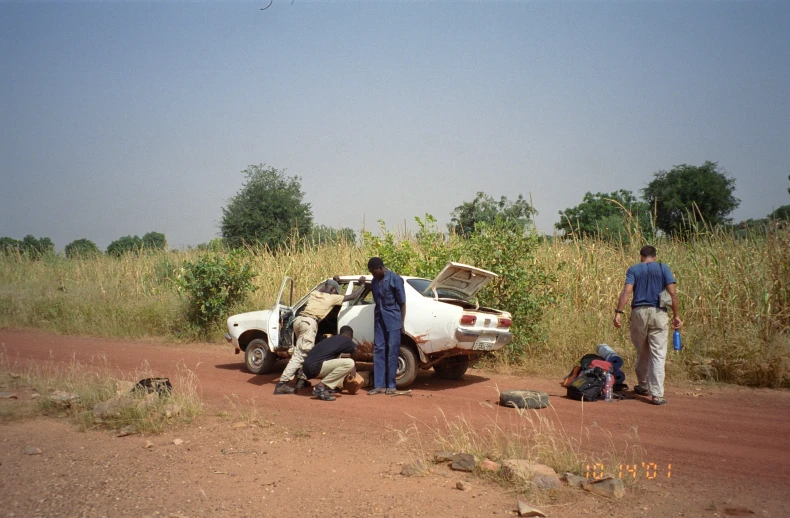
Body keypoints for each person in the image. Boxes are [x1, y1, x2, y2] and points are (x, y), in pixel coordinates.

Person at [614, 245, 682, 405]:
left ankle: (642, 385)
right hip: (659, 312)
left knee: (642, 351)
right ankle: (657, 394)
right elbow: (672, 293)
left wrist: (618, 312)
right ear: (655, 257)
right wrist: (676, 315)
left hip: (638, 312)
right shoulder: (662, 268)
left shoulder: (634, 270)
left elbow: (626, 292)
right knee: (658, 354)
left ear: (641, 256)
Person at [274, 277, 366, 395]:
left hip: (299, 321)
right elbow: (353, 296)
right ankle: (282, 383)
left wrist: (334, 282)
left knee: (305, 352)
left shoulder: (315, 294)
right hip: (309, 324)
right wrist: (362, 285)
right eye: (335, 291)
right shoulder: (332, 298)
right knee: (300, 354)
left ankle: (300, 380)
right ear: (332, 290)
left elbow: (327, 288)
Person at [366, 257, 406, 395]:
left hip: (393, 319)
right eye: (371, 273)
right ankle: (379, 385)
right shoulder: (374, 281)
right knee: (378, 350)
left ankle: (391, 385)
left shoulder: (395, 279)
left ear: (381, 268)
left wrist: (402, 323)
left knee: (392, 351)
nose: (373, 275)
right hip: (379, 319)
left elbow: (402, 303)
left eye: (375, 272)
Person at [302, 325, 358, 401]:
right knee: (349, 363)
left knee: (338, 360)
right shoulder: (346, 340)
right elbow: (355, 350)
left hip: (306, 369)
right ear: (350, 336)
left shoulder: (331, 340)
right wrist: (353, 366)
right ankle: (320, 387)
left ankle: (332, 387)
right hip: (315, 368)